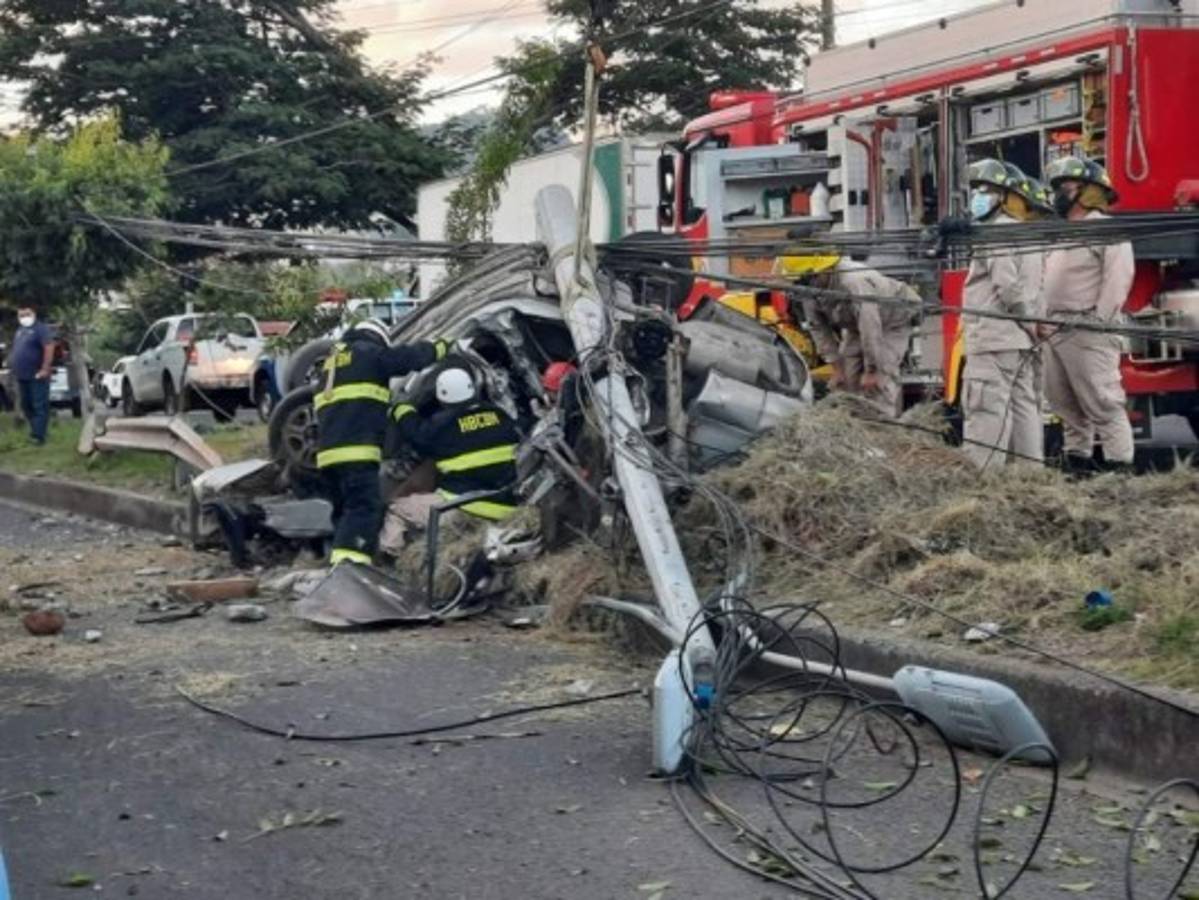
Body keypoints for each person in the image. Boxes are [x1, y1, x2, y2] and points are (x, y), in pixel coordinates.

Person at [315, 318, 448, 565]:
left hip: (327, 456)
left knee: (344, 512)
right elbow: (406, 359)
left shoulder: (332, 364)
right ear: (376, 338)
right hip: (356, 453)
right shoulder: (367, 353)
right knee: (363, 509)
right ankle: (350, 568)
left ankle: (338, 561)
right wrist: (439, 348)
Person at [1040, 157, 1135, 474]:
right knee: (1065, 405)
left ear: (1088, 191)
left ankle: (1119, 473)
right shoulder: (1064, 232)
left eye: (1066, 187)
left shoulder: (1106, 229)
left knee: (1103, 402)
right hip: (1057, 329)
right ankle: (1077, 465)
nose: (1060, 195)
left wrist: (1099, 320)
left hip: (1088, 330)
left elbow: (1118, 278)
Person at [959, 159, 1046, 469]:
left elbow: (1008, 287)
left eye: (986, 190)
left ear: (1007, 196)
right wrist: (1032, 326)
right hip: (1019, 341)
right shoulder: (1028, 234)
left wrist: (1025, 319)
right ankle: (1031, 478)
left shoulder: (996, 233)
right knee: (1025, 409)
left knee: (987, 411)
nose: (978, 197)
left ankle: (984, 485)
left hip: (993, 338)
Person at [391, 364, 521, 522]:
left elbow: (416, 434)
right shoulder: (498, 414)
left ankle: (385, 547)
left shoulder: (442, 426)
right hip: (509, 503)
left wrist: (401, 407)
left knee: (397, 510)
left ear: (441, 397)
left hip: (467, 504)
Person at [795, 256, 919, 418]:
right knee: (847, 378)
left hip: (893, 319)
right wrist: (837, 369)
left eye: (810, 279)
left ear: (826, 270)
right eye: (801, 281)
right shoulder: (809, 288)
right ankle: (855, 426)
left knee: (878, 381)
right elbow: (818, 329)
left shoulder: (853, 281)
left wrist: (872, 370)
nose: (806, 285)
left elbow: (870, 326)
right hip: (856, 324)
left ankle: (883, 427)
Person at [9, 305, 55, 445]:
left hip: (37, 375)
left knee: (39, 405)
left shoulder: (40, 329)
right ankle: (36, 431)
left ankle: (38, 437)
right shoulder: (20, 330)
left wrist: (45, 368)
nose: (24, 318)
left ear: (33, 314)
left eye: (27, 314)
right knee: (26, 405)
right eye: (21, 315)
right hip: (22, 375)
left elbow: (49, 346)